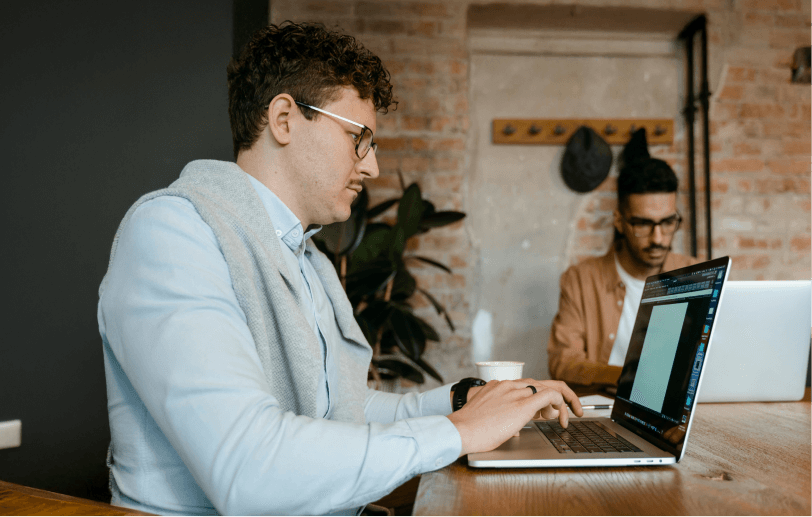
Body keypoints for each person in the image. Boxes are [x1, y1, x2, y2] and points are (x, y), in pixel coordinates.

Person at [98, 22, 582, 516]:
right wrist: (458, 432)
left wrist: (466, 402)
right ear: (284, 119)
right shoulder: (173, 233)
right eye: (359, 138)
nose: (371, 167)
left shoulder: (310, 262)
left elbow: (347, 409)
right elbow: (248, 469)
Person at [547, 136, 698, 389]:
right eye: (642, 224)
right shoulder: (581, 279)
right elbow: (563, 361)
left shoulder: (694, 275)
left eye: (668, 222)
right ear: (619, 221)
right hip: (605, 407)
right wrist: (630, 377)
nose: (658, 238)